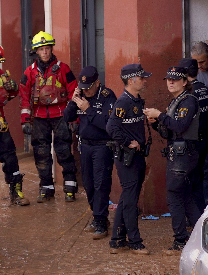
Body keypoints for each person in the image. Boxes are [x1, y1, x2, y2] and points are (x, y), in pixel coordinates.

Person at [145, 66, 200, 255]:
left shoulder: (188, 101)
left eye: (175, 79)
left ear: (185, 82)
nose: (170, 82)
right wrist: (156, 123)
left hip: (184, 155)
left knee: (174, 195)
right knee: (185, 196)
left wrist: (159, 115)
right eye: (168, 79)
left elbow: (180, 126)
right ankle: (201, 236)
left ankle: (180, 241)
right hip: (178, 153)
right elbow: (169, 131)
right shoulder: (176, 101)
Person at [19, 31, 78, 202]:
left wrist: (74, 118)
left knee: (64, 151)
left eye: (47, 48)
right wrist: (25, 120)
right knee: (41, 153)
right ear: (36, 52)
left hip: (61, 115)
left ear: (51, 49)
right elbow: (24, 97)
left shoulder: (63, 68)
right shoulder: (29, 72)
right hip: (38, 117)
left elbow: (74, 92)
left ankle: (70, 186)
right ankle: (46, 188)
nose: (45, 52)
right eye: (41, 49)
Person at [63, 66, 117, 239]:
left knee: (101, 184)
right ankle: (97, 216)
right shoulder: (80, 97)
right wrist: (73, 101)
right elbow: (67, 117)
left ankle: (101, 221)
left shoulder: (108, 96)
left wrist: (89, 109)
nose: (85, 91)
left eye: (88, 88)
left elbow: (109, 124)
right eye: (82, 88)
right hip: (85, 145)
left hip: (102, 146)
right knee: (88, 183)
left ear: (97, 83)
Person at [105, 64, 152, 255]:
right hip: (127, 157)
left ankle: (117, 240)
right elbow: (111, 127)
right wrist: (128, 142)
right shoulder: (123, 102)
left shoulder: (136, 100)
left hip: (136, 156)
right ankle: (134, 242)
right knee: (131, 200)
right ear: (131, 80)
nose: (144, 81)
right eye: (141, 78)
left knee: (127, 197)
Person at [0, 41, 30, 206]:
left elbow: (12, 93)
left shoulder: (0, 73)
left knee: (10, 158)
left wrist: (13, 87)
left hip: (0, 124)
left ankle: (16, 193)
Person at [179, 58, 208, 210]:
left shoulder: (189, 95)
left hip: (194, 142)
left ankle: (196, 217)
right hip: (205, 139)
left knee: (192, 180)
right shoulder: (204, 88)